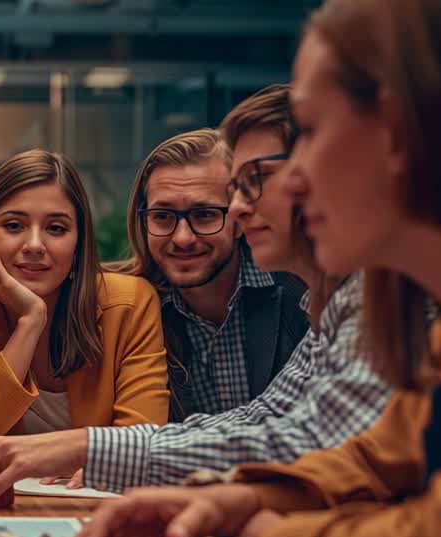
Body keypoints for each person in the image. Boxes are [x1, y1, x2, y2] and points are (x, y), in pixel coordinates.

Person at [66, 0, 441, 537]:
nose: (289, 185)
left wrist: (262, 528)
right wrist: (238, 500)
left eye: (311, 132)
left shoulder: (411, 301)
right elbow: (372, 456)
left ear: (403, 129)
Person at [0, 84, 391, 497]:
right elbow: (262, 421)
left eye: (206, 212)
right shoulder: (335, 301)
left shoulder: (362, 293)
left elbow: (305, 439)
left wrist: (94, 449)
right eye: (163, 216)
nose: (239, 208)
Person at [0, 150, 169, 505]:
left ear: (79, 240)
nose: (34, 245)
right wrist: (30, 322)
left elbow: (140, 447)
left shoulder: (131, 304)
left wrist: (106, 463)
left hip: (98, 510)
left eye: (56, 228)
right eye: (13, 226)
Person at [109, 129, 309, 421]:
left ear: (239, 217)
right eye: (163, 216)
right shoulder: (124, 309)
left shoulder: (303, 289)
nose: (182, 237)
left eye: (204, 214)